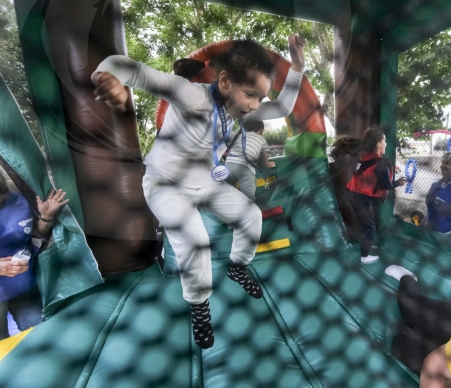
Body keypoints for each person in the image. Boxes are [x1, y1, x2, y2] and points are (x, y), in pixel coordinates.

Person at [92, 35, 305, 349]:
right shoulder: (190, 95)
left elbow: (283, 107)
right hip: (165, 185)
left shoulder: (241, 110)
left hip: (204, 182)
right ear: (225, 81)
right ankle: (200, 306)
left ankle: (237, 267)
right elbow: (135, 72)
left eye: (259, 99)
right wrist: (108, 74)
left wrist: (297, 68)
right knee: (196, 242)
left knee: (251, 216)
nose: (254, 105)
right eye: (251, 95)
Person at [0, 172, 70, 340]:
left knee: (42, 335)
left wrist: (46, 218)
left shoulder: (19, 202)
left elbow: (32, 239)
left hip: (24, 285)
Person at [330, 127, 407, 264]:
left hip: (356, 197)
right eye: (384, 140)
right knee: (369, 226)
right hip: (361, 199)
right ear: (378, 143)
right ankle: (365, 256)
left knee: (366, 224)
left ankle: (368, 244)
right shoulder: (382, 163)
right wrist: (398, 183)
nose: (386, 144)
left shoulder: (364, 160)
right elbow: (385, 186)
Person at [224, 120, 275, 201]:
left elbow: (229, 151)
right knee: (249, 199)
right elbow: (265, 162)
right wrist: (271, 164)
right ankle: (251, 211)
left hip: (228, 165)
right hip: (243, 168)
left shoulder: (240, 136)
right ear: (261, 131)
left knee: (230, 192)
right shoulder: (261, 140)